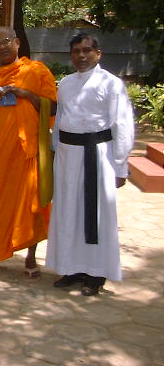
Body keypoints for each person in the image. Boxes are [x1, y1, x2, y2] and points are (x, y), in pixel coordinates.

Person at [46, 33, 134, 296]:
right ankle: (71, 267)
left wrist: (120, 165)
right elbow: (61, 120)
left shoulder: (111, 84)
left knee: (95, 213)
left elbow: (122, 124)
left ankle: (96, 273)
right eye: (76, 51)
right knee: (68, 211)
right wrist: (55, 153)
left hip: (98, 155)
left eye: (86, 50)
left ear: (98, 53)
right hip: (67, 155)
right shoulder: (66, 84)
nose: (81, 56)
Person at [0, 26, 57, 277]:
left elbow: (52, 108)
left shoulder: (36, 71)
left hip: (26, 150)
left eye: (6, 41)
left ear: (17, 43)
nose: (2, 46)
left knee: (31, 205)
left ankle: (30, 258)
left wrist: (24, 93)